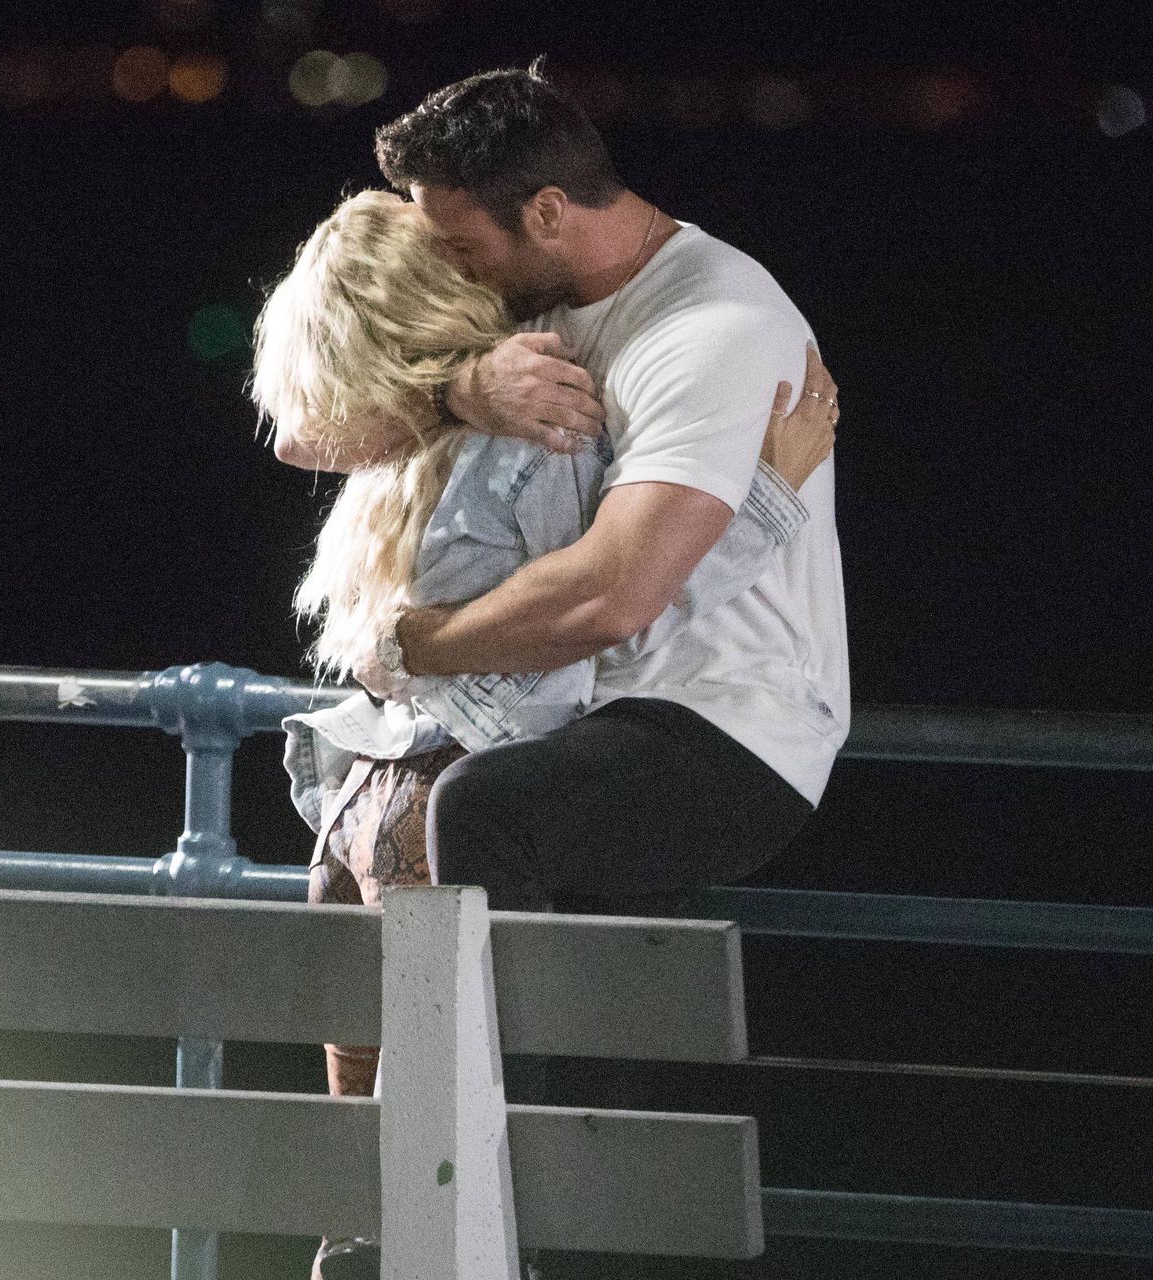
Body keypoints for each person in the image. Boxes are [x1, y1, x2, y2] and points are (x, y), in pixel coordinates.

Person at [252, 189, 834, 1280]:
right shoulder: (538, 422)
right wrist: (768, 503)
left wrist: (447, 389)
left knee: (365, 1208)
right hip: (442, 810)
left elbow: (296, 431)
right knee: (445, 1194)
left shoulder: (396, 446)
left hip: (357, 813)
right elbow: (612, 612)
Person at [274, 64, 849, 924]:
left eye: (462, 247)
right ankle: (449, 1054)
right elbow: (305, 435)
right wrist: (455, 394)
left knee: (476, 812)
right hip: (564, 699)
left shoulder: (712, 330)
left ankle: (492, 1063)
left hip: (721, 724)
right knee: (359, 856)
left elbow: (614, 595)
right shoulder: (529, 298)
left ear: (546, 211)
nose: (451, 269)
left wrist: (414, 647)